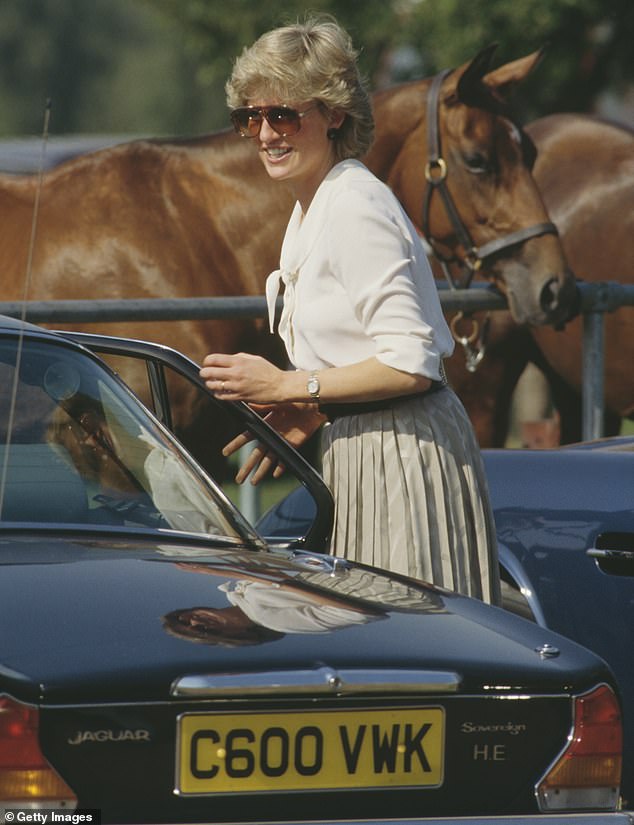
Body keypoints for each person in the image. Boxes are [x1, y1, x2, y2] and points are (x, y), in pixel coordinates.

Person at [200, 15, 501, 605]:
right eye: (250, 118)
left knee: (410, 651)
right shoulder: (310, 209)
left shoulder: (355, 204)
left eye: (282, 114)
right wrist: (313, 408)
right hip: (362, 445)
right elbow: (359, 352)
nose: (265, 133)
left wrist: (290, 386)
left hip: (404, 453)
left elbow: (413, 364)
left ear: (334, 114)